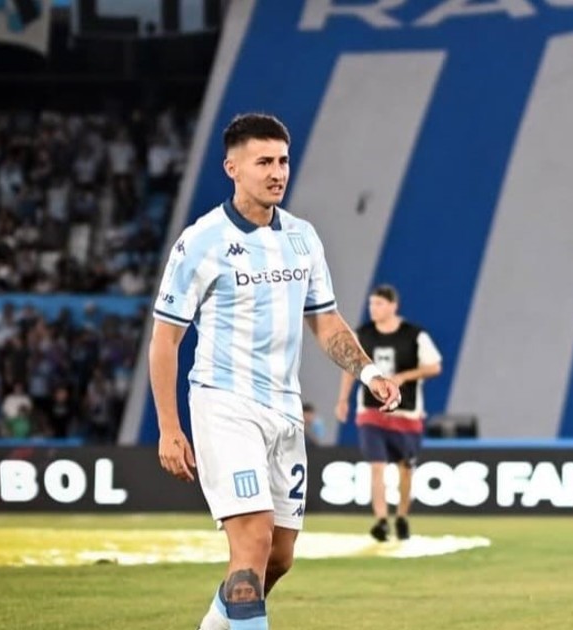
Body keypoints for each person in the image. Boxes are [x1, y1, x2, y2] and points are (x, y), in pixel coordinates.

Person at [148, 113, 400, 630]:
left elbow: (326, 322)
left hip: (285, 412)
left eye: (283, 161)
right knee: (253, 542)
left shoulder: (303, 239)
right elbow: (165, 339)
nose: (277, 172)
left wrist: (369, 373)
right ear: (232, 168)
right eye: (264, 162)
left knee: (278, 557)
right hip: (224, 405)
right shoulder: (202, 241)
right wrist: (169, 427)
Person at [335, 284, 442, 542]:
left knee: (406, 468)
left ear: (393, 306)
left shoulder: (414, 335)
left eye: (379, 304)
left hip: (406, 413)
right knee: (377, 466)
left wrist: (405, 376)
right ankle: (381, 520)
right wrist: (343, 399)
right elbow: (350, 366)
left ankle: (402, 516)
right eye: (371, 304)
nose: (373, 309)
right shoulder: (363, 335)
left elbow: (434, 366)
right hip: (371, 411)